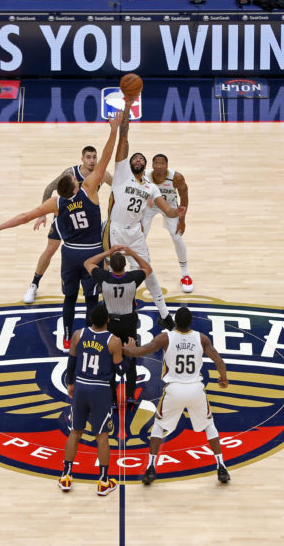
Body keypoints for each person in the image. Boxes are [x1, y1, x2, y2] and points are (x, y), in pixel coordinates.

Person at [0, 109, 127, 348]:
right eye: (73, 181)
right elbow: (106, 157)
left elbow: (24, 217)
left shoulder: (56, 203)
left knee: (69, 297)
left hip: (70, 254)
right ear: (74, 188)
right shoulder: (90, 189)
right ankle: (92, 336)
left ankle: (68, 337)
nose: (75, 179)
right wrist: (114, 130)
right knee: (91, 299)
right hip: (91, 252)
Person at [123, 306, 230, 484]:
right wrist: (224, 378)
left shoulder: (165, 338)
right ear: (190, 323)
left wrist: (126, 349)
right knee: (209, 425)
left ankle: (150, 468)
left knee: (158, 425)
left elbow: (143, 351)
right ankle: (221, 467)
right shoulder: (201, 338)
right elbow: (218, 359)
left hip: (174, 389)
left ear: (175, 322)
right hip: (195, 388)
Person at [105, 105, 186, 330]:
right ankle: (113, 313)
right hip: (116, 229)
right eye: (135, 158)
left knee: (147, 269)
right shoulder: (122, 174)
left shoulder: (151, 187)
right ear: (130, 163)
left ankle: (164, 314)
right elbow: (124, 142)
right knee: (114, 273)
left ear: (145, 165)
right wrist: (126, 118)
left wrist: (176, 213)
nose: (138, 160)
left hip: (136, 232)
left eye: (142, 159)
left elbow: (166, 209)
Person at [24, 146, 113, 303]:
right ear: (82, 159)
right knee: (51, 249)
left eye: (94, 157)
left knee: (100, 249)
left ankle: (104, 287)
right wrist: (43, 213)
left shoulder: (102, 174)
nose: (92, 160)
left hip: (86, 217)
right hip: (65, 215)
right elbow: (49, 188)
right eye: (88, 157)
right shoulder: (70, 174)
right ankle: (34, 284)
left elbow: (118, 188)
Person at [58, 304, 126, 496]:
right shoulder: (114, 341)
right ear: (108, 320)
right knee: (102, 435)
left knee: (75, 432)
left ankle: (66, 476)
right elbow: (120, 371)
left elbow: (71, 361)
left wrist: (71, 383)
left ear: (90, 319)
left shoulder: (78, 334)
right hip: (100, 390)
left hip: (80, 386)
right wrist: (129, 351)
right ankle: (103, 481)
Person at [85, 245, 151, 405]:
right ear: (125, 265)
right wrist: (133, 253)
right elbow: (147, 268)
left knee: (109, 361)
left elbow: (88, 263)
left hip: (111, 324)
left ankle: (113, 399)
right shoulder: (133, 277)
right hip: (128, 322)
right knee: (131, 358)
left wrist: (108, 252)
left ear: (111, 266)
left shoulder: (104, 277)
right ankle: (130, 396)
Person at [141, 154, 192, 293]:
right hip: (151, 205)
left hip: (169, 205)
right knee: (140, 236)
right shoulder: (144, 175)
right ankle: (140, 271)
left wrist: (182, 220)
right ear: (152, 165)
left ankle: (185, 274)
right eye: (156, 163)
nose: (159, 166)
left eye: (162, 163)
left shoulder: (177, 178)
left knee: (177, 237)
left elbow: (184, 196)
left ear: (167, 166)